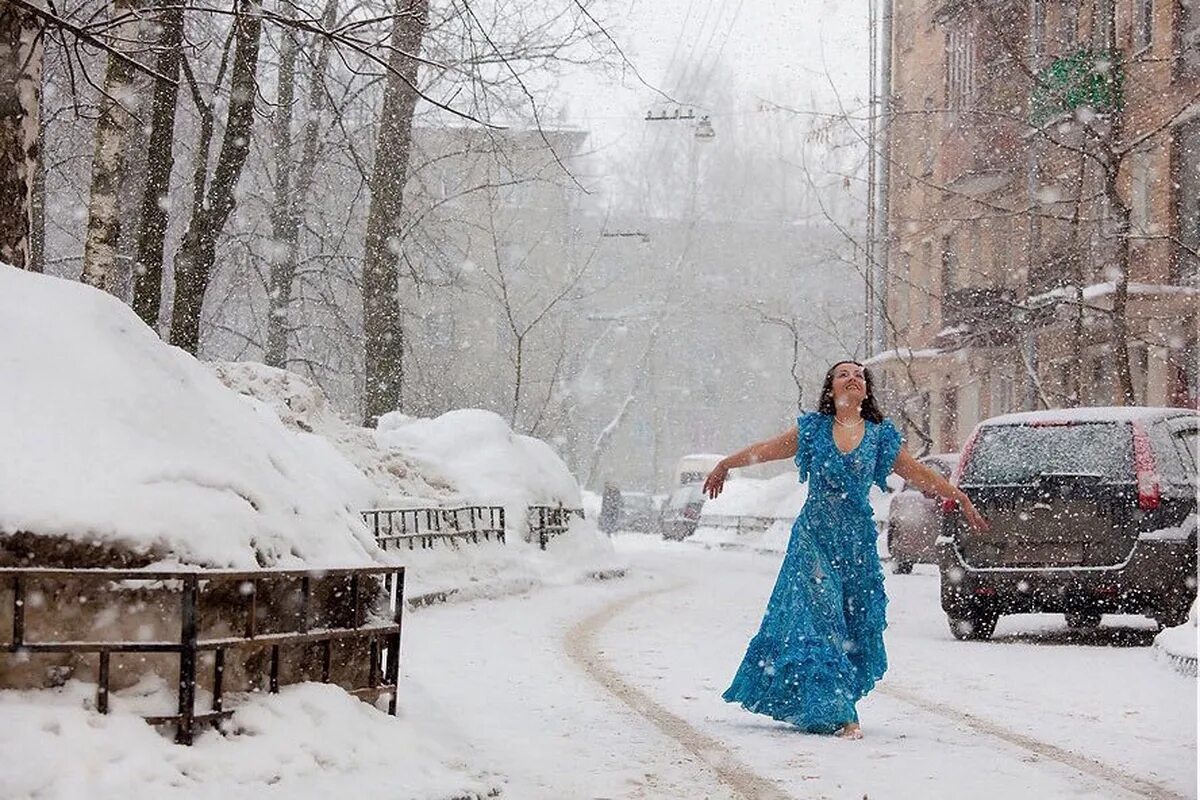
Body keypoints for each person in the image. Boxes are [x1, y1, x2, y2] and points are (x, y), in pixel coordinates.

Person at [703, 360, 987, 739]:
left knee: (852, 622)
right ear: (831, 389)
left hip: (855, 546)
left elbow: (919, 474)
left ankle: (823, 702)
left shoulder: (880, 436)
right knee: (824, 621)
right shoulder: (813, 431)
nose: (852, 377)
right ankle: (841, 713)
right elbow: (765, 450)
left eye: (858, 374)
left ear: (866, 390)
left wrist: (958, 496)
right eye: (843, 374)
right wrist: (726, 464)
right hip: (814, 539)